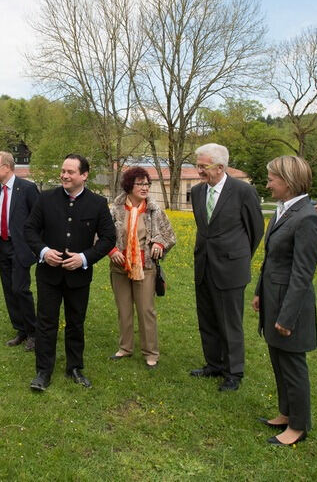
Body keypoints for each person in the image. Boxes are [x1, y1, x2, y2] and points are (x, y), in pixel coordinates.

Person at [24, 154, 116, 391]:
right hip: (49, 275)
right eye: (63, 171)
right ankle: (43, 372)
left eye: (70, 172)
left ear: (84, 175)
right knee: (46, 323)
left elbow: (108, 238)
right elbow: (30, 229)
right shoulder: (45, 199)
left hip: (79, 277)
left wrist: (84, 258)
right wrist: (44, 252)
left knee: (76, 322)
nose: (64, 175)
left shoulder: (97, 204)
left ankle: (75, 367)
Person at [252, 155, 317, 446]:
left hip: (289, 305)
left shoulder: (307, 218)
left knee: (292, 365)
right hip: (272, 298)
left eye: (272, 179)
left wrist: (286, 316)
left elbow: (302, 274)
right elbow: (271, 259)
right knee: (278, 360)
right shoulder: (283, 211)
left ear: (289, 181)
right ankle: (285, 413)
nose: (268, 184)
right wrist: (259, 291)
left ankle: (298, 425)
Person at [189, 143, 264, 391]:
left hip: (231, 268)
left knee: (230, 322)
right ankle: (214, 364)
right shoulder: (198, 192)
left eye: (203, 166)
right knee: (207, 317)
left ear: (220, 167)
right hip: (204, 265)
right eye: (197, 165)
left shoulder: (243, 192)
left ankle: (234, 372)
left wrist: (238, 257)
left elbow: (255, 231)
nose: (198, 171)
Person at [107, 167, 176, 369]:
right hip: (119, 268)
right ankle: (125, 348)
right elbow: (101, 235)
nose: (145, 187)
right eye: (140, 184)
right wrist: (112, 251)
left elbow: (169, 235)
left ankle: (151, 353)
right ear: (129, 185)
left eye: (147, 184)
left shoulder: (154, 210)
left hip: (145, 268)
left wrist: (159, 243)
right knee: (124, 309)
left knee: (146, 310)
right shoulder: (115, 210)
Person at [0, 151, 39, 351]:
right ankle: (21, 330)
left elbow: (38, 219)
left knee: (20, 289)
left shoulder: (27, 189)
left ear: (7, 167)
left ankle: (34, 333)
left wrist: (36, 247)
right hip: (2, 246)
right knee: (9, 290)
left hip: (21, 247)